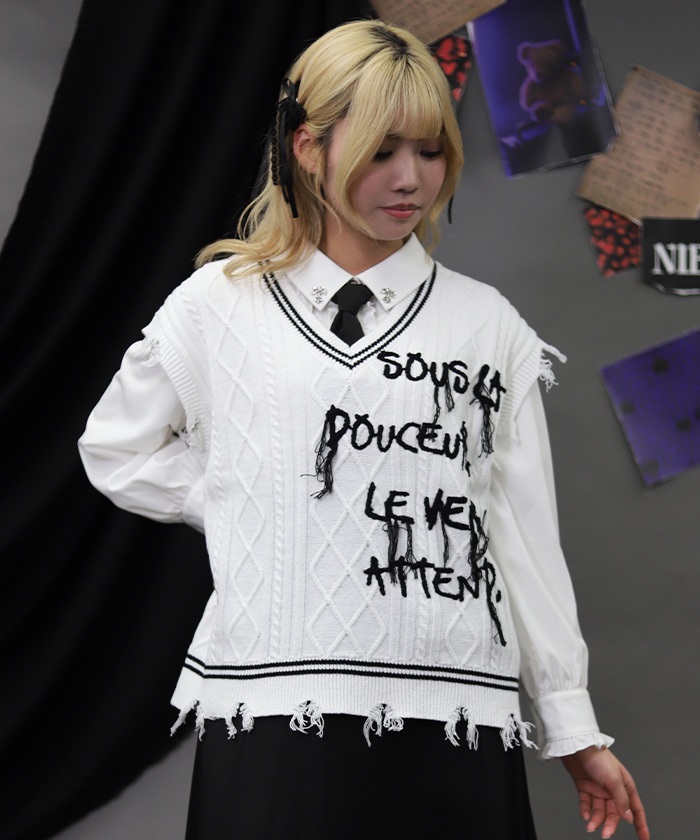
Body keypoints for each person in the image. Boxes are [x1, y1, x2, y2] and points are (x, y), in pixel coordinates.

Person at [78, 19, 649, 840]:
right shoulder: (217, 306)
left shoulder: (486, 325)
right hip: (275, 711)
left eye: (431, 150)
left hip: (456, 715)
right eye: (382, 151)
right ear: (308, 148)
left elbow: (519, 535)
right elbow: (115, 448)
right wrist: (248, 500)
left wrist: (572, 724)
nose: (411, 178)